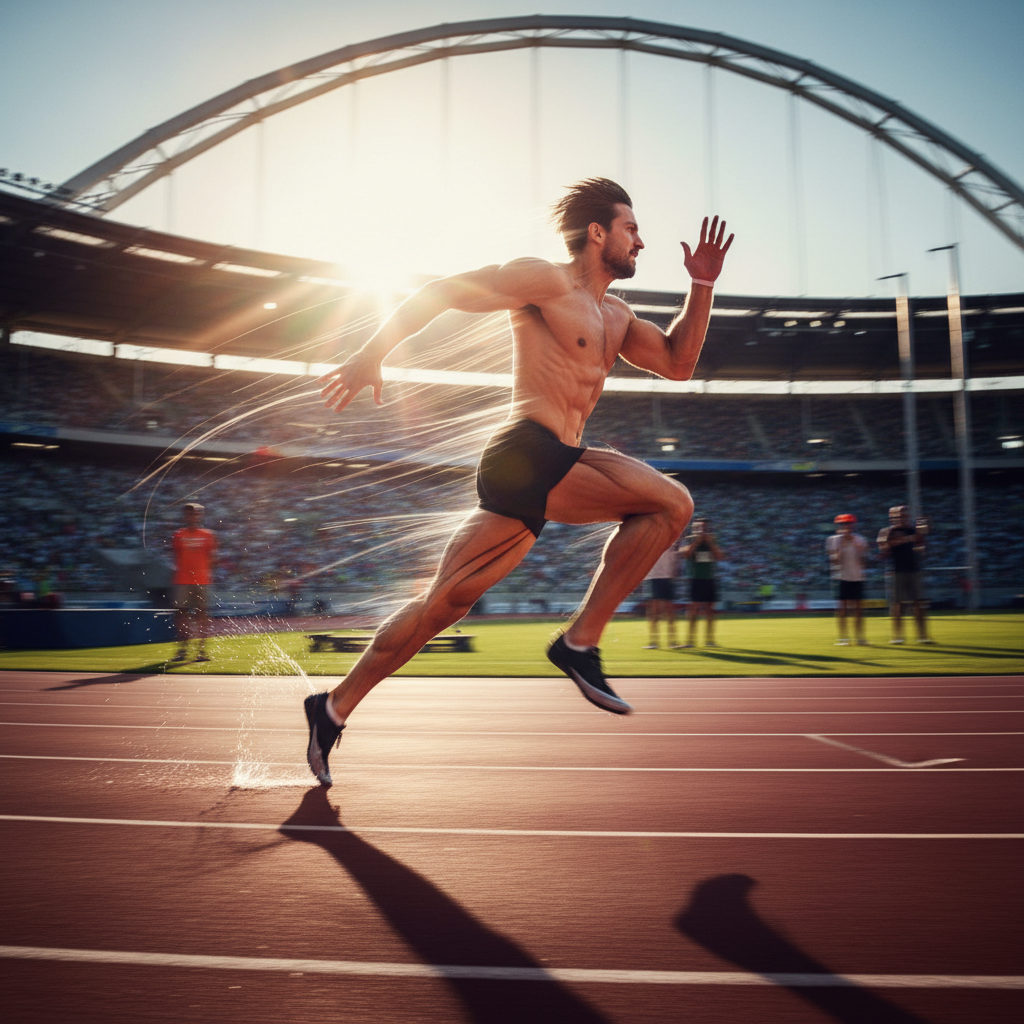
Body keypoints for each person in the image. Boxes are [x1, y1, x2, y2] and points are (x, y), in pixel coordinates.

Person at [303, 177, 733, 785]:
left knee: (440, 607)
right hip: (526, 451)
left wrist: (703, 285)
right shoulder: (545, 281)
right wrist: (374, 351)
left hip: (541, 473)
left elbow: (679, 364)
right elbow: (444, 291)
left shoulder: (618, 316)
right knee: (672, 504)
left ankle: (332, 707)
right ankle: (579, 644)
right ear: (597, 233)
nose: (642, 241)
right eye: (632, 229)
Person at [877, 505, 933, 644]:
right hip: (896, 570)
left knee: (919, 603)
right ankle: (898, 636)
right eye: (897, 515)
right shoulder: (887, 531)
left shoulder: (914, 530)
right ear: (892, 517)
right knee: (897, 605)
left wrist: (922, 534)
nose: (901, 518)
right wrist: (907, 539)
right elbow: (883, 551)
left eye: (904, 515)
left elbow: (922, 548)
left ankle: (922, 636)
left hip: (914, 569)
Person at [170, 502, 217, 662]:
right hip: (182, 580)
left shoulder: (208, 535)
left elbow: (212, 557)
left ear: (199, 516)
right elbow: (176, 556)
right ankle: (183, 650)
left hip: (202, 581)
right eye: (189, 514)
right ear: (185, 516)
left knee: (201, 615)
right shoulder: (178, 535)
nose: (192, 516)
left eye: (195, 513)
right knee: (181, 615)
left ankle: (202, 651)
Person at [825, 513, 869, 645]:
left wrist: (853, 543)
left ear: (853, 525)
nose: (846, 526)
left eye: (848, 523)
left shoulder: (860, 539)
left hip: (857, 577)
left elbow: (863, 560)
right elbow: (834, 560)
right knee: (842, 609)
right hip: (841, 577)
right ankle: (843, 638)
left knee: (858, 609)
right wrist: (842, 544)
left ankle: (860, 638)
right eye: (843, 524)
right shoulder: (833, 540)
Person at [680, 519, 724, 647]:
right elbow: (686, 555)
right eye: (698, 528)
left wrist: (710, 543)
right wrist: (697, 542)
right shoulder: (690, 539)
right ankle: (690, 641)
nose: (701, 530)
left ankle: (710, 640)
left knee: (710, 610)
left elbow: (720, 556)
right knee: (693, 610)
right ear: (694, 529)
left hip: (709, 578)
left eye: (704, 528)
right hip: (695, 578)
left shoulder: (712, 540)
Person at [642, 530, 684, 648]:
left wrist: (675, 571)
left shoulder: (672, 539)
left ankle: (672, 641)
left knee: (669, 610)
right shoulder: (648, 540)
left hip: (666, 577)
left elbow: (675, 560)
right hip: (653, 576)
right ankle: (654, 641)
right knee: (654, 611)